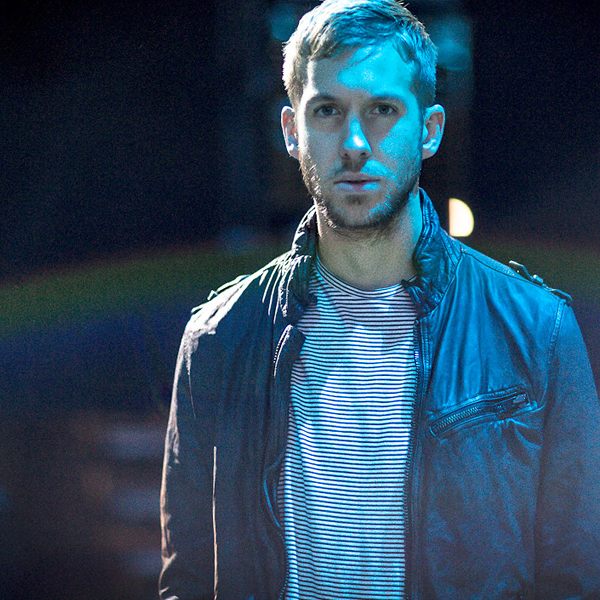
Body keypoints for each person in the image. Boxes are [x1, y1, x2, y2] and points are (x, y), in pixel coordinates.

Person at [159, 0, 600, 598]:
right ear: (292, 131)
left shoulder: (537, 331)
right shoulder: (219, 339)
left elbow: (576, 578)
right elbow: (187, 581)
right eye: (328, 110)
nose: (354, 143)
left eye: (383, 109)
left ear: (430, 130)